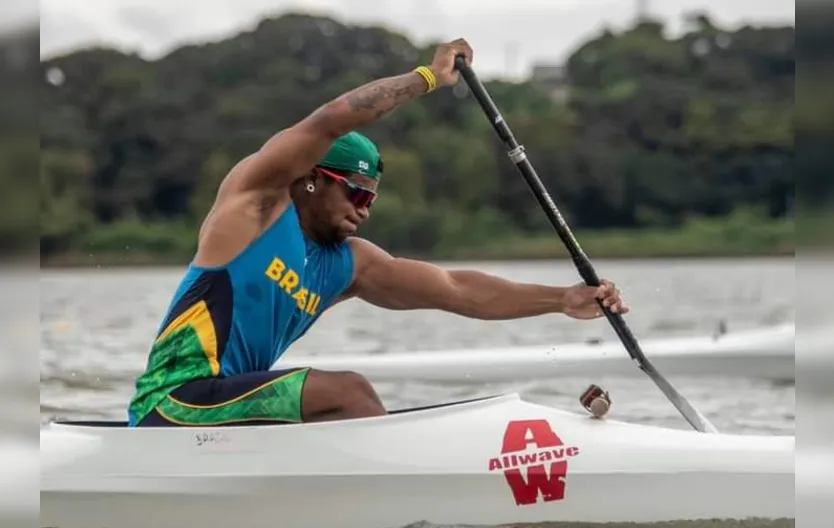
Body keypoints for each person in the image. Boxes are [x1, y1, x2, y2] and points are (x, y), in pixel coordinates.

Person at [127, 38, 629, 428]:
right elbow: (328, 121)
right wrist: (429, 77)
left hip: (230, 410)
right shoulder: (256, 204)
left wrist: (563, 299)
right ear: (312, 179)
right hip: (173, 401)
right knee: (349, 393)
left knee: (341, 401)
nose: (365, 209)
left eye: (372, 198)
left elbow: (460, 291)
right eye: (356, 193)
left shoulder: (349, 265)